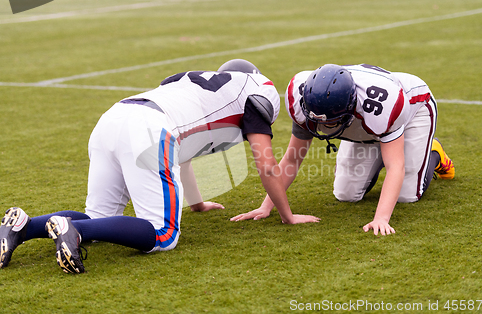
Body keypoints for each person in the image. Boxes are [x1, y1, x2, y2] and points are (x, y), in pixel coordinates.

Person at [0, 59, 320, 274]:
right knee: (163, 234)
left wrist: (195, 203)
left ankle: (23, 228)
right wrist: (287, 216)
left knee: (100, 220)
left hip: (113, 118)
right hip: (149, 129)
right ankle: (74, 230)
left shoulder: (189, 84)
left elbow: (184, 153)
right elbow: (266, 164)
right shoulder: (255, 89)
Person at [231, 63, 454, 235]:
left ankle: (434, 153)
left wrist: (381, 219)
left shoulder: (384, 107)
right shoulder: (302, 98)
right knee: (346, 194)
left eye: (331, 122)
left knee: (407, 195)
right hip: (364, 124)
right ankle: (378, 148)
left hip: (413, 107)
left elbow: (396, 166)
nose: (324, 127)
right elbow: (292, 159)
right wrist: (266, 206)